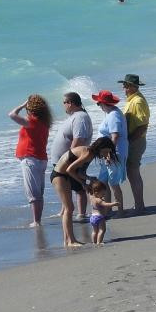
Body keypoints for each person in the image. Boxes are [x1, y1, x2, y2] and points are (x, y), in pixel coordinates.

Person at [50, 136, 119, 246]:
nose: (106, 155)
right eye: (106, 152)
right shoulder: (88, 153)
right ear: (101, 147)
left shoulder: (91, 154)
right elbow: (69, 169)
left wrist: (89, 178)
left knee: (69, 208)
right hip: (59, 175)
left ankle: (67, 240)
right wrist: (83, 183)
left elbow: (79, 172)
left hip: (64, 176)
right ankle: (70, 241)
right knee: (69, 208)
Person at [8, 95, 51, 227]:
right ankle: (38, 220)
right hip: (40, 159)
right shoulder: (44, 123)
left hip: (31, 159)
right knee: (39, 193)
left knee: (33, 193)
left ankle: (36, 221)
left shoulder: (32, 121)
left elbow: (12, 114)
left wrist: (22, 105)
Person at [50, 92, 93, 220]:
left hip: (72, 160)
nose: (63, 105)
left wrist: (69, 159)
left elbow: (78, 140)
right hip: (63, 160)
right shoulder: (75, 116)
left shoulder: (80, 117)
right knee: (65, 186)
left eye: (64, 103)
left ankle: (81, 214)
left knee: (78, 186)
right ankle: (65, 211)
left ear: (70, 103)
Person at [119, 73, 149, 213]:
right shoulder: (132, 100)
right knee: (132, 172)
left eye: (125, 85)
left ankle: (139, 205)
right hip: (134, 140)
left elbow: (143, 125)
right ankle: (139, 204)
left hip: (136, 141)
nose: (123, 88)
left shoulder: (137, 101)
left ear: (131, 86)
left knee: (133, 172)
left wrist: (129, 141)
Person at [92, 89, 128, 205]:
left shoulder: (113, 115)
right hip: (107, 153)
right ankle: (108, 209)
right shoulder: (110, 113)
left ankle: (120, 211)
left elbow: (115, 136)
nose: (99, 106)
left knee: (113, 184)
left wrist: (109, 155)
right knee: (103, 182)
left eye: (98, 103)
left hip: (113, 154)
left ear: (103, 103)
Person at [87, 180, 121, 245]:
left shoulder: (92, 198)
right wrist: (113, 204)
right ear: (96, 192)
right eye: (102, 194)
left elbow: (89, 191)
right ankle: (99, 242)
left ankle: (94, 242)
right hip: (99, 217)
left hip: (92, 217)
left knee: (95, 231)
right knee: (102, 230)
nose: (103, 195)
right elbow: (105, 204)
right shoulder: (98, 200)